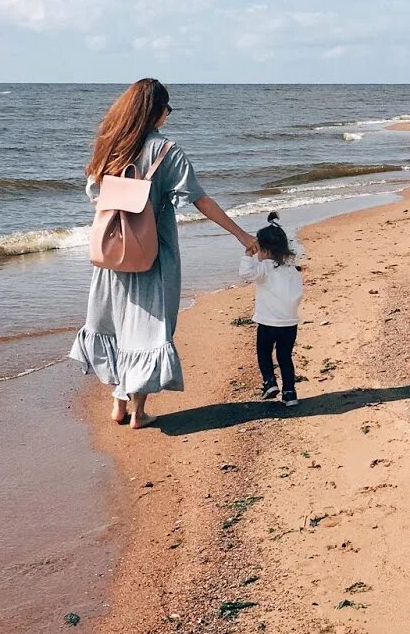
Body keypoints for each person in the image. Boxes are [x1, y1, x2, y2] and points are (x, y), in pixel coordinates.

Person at [71, 78, 257, 429]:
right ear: (156, 110)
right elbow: (200, 199)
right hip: (152, 252)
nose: (169, 113)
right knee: (149, 326)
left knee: (117, 321)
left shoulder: (110, 146)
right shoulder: (166, 150)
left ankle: (118, 402)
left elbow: (93, 190)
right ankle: (138, 412)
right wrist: (241, 234)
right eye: (167, 107)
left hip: (112, 249)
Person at [239, 219, 304, 408]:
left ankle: (269, 381)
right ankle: (290, 393)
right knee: (285, 357)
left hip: (268, 322)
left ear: (265, 250)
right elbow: (298, 294)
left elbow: (245, 273)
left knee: (264, 352)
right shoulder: (293, 269)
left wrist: (247, 255)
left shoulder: (265, 268)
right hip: (289, 322)